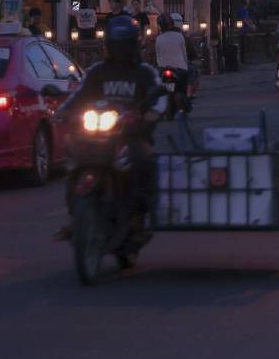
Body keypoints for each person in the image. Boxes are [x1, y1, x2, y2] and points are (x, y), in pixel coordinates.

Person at [53, 15, 167, 242]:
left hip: (132, 135)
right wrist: (63, 110)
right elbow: (79, 96)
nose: (121, 49)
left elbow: (160, 97)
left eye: (125, 45)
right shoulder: (96, 72)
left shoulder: (145, 73)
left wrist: (154, 112)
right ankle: (75, 219)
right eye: (117, 44)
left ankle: (136, 220)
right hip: (94, 136)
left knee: (143, 162)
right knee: (73, 166)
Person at [155, 13, 196, 97]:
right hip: (179, 66)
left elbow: (158, 56)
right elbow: (184, 54)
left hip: (162, 66)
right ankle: (188, 93)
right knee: (192, 71)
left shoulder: (159, 38)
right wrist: (185, 62)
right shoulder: (179, 36)